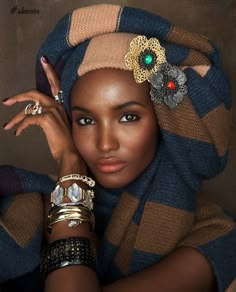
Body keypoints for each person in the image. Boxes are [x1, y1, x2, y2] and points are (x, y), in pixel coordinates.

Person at [1, 3, 236, 292]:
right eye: (85, 120)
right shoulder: (26, 208)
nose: (105, 143)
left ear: (163, 121)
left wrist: (70, 165)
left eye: (128, 117)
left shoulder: (217, 236)